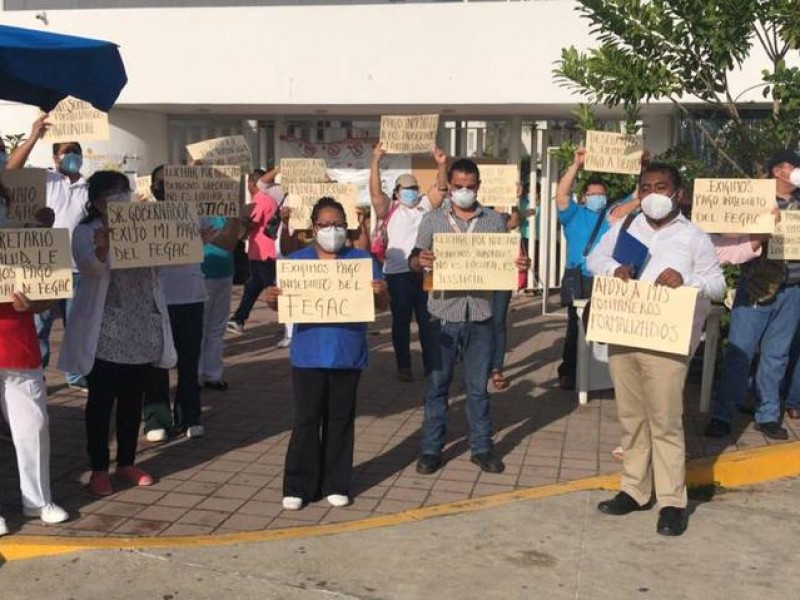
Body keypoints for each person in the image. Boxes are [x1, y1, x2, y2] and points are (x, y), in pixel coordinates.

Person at [587, 162, 726, 537]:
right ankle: (634, 489)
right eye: (646, 188)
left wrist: (687, 279)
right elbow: (593, 260)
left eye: (660, 187)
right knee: (631, 418)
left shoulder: (694, 236)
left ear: (676, 193)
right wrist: (613, 268)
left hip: (667, 341)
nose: (652, 195)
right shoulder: (625, 227)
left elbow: (718, 286)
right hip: (625, 332)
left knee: (665, 421)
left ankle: (672, 501)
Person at [58, 171, 177, 496]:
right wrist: (101, 249)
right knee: (100, 403)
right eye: (111, 194)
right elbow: (89, 269)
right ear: (97, 202)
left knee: (131, 401)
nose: (119, 199)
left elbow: (164, 263)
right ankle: (98, 468)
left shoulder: (145, 227)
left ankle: (126, 462)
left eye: (123, 192)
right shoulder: (87, 231)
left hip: (140, 329)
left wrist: (191, 242)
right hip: (105, 333)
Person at [266, 197, 389, 510]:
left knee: (340, 420)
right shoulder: (296, 263)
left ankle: (336, 482)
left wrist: (381, 293)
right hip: (308, 355)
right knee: (306, 420)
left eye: (337, 225)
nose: (331, 230)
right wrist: (272, 298)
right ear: (313, 228)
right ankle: (298, 485)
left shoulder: (362, 262)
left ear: (345, 228)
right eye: (324, 225)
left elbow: (382, 307)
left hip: (347, 352)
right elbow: (280, 306)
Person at [409, 159, 530, 476]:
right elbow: (413, 259)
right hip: (442, 315)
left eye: (470, 186)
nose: (464, 191)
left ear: (479, 186)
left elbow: (507, 259)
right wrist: (419, 260)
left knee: (478, 388)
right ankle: (431, 449)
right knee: (438, 385)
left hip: (480, 315)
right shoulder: (432, 220)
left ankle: (482, 448)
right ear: (449, 185)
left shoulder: (493, 221)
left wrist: (519, 265)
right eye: (458, 186)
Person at [705, 150, 800, 440]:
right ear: (778, 172)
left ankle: (768, 414)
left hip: (793, 290)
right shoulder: (754, 200)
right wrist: (759, 225)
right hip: (757, 287)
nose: (794, 171)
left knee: (777, 355)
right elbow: (721, 230)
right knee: (740, 353)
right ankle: (723, 415)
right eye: (790, 166)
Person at [0, 174, 68, 532]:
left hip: (18, 348)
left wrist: (31, 303)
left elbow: (48, 296)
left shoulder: (24, 243)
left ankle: (38, 499)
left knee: (33, 427)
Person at [6, 119, 88, 391]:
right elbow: (10, 173)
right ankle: (36, 375)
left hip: (78, 270)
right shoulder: (45, 179)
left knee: (76, 327)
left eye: (77, 149)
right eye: (67, 150)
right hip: (46, 269)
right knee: (39, 327)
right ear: (55, 157)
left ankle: (75, 375)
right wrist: (32, 138)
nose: (73, 155)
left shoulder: (90, 187)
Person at [555, 147, 640, 390]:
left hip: (607, 278)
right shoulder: (573, 214)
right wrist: (576, 165)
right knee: (575, 326)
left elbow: (639, 195)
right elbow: (561, 193)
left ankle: (604, 373)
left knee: (607, 325)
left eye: (601, 193)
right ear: (583, 197)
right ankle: (569, 371)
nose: (597, 197)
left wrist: (642, 165)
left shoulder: (613, 213)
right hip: (578, 277)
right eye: (592, 194)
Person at [369, 143, 445, 381]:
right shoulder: (390, 209)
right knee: (401, 323)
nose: (411, 191)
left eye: (414, 188)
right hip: (397, 274)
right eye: (406, 188)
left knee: (428, 322)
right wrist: (375, 161)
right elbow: (374, 195)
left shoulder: (423, 205)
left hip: (425, 273)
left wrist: (441, 164)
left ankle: (431, 364)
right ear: (397, 191)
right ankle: (403, 365)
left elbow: (441, 190)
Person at [143, 165, 207, 442]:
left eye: (170, 183)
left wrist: (237, 221)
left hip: (191, 297)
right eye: (160, 183)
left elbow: (227, 242)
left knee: (189, 360)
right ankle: (156, 418)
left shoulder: (197, 214)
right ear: (153, 187)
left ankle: (189, 417)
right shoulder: (142, 216)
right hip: (156, 298)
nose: (165, 187)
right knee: (156, 361)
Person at [227, 169, 279, 334]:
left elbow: (249, 224)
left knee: (272, 289)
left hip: (263, 252)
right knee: (253, 286)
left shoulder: (259, 201)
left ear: (252, 183)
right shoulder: (269, 200)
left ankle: (291, 325)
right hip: (265, 251)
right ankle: (238, 319)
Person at [199, 214, 235, 389]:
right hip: (202, 272)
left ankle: (213, 374)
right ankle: (195, 374)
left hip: (225, 272)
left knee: (217, 327)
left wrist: (240, 220)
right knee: (200, 328)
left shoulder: (226, 210)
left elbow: (233, 239)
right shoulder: (196, 209)